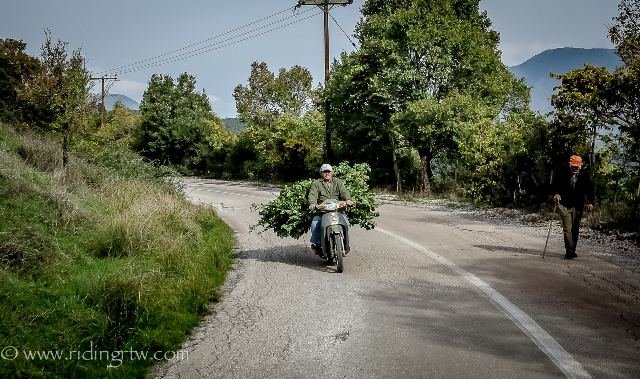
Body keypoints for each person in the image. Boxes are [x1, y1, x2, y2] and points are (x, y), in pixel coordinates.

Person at [551, 154, 595, 259]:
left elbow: (590, 189)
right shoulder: (562, 173)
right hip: (564, 205)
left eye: (577, 166)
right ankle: (569, 250)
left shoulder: (585, 175)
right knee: (567, 229)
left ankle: (572, 249)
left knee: (575, 229)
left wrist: (590, 202)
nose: (575, 168)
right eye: (573, 166)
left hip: (578, 206)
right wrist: (556, 194)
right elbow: (553, 186)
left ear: (581, 165)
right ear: (569, 165)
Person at [308, 163, 353, 257]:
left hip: (337, 210)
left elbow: (344, 191)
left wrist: (348, 200)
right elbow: (312, 195)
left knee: (347, 224)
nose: (327, 173)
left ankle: (344, 244)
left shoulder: (338, 182)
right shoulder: (316, 184)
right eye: (325, 172)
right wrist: (313, 204)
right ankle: (318, 245)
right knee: (314, 225)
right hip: (322, 211)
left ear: (332, 172)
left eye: (328, 171)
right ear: (321, 173)